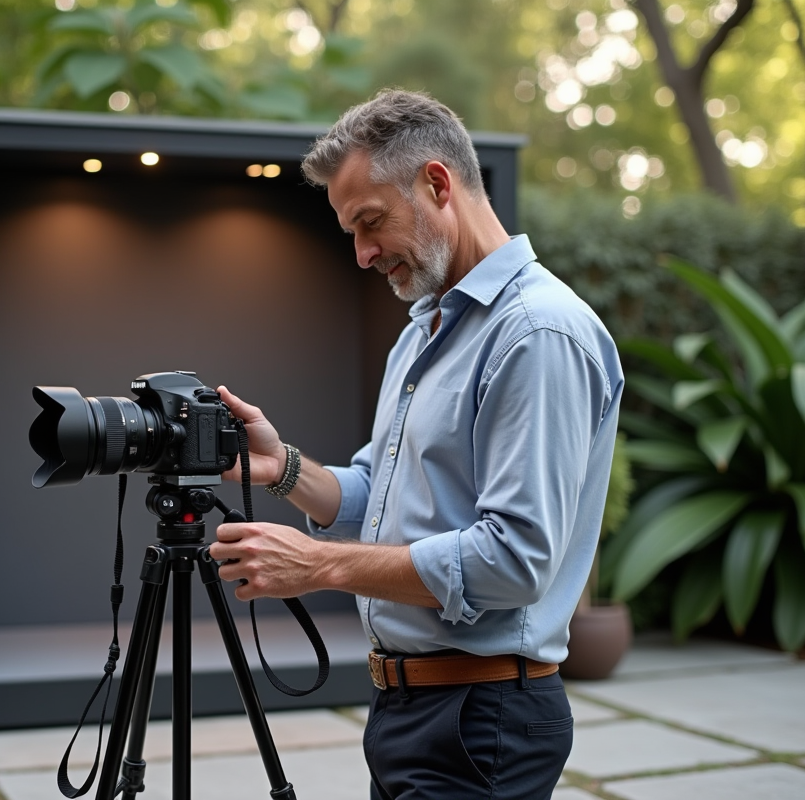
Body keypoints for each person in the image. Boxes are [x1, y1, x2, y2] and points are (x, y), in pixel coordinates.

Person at [209, 89, 624, 800]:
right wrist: (286, 470)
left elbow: (514, 560)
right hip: (410, 709)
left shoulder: (537, 335)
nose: (364, 254)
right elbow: (385, 495)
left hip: (482, 720)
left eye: (371, 222)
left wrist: (320, 565)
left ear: (438, 184)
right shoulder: (425, 331)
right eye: (352, 232)